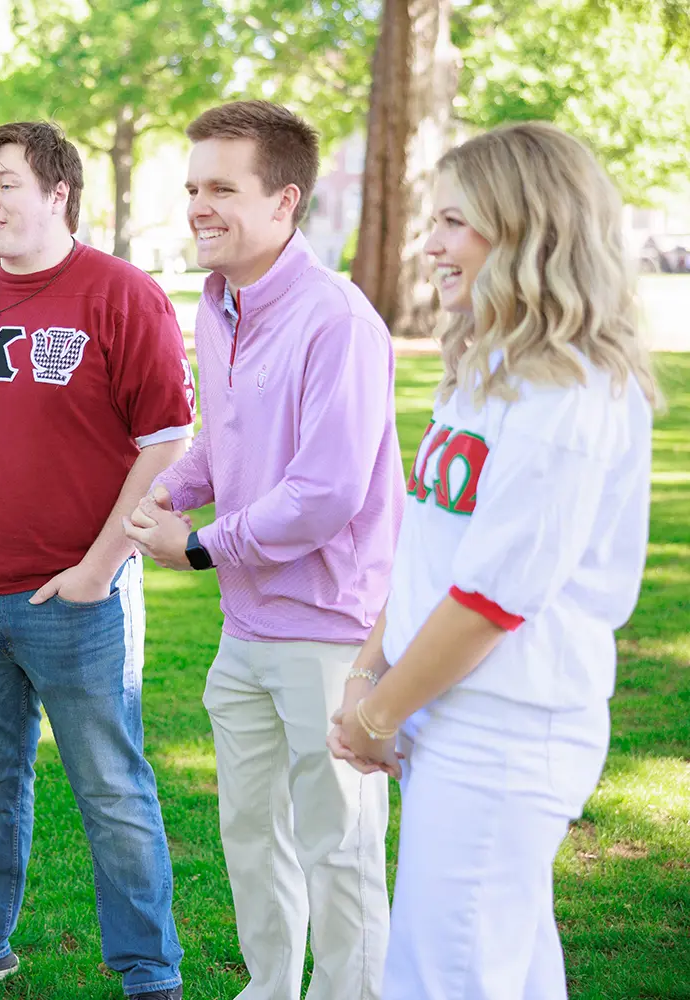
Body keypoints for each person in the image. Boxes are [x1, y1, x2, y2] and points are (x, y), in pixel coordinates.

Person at [328, 121, 658, 1000]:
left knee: (445, 979)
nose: (430, 244)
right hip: (450, 713)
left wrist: (378, 714)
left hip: (508, 728)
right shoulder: (493, 365)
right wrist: (368, 678)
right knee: (498, 971)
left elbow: (489, 600)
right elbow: (429, 550)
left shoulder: (571, 390)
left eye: (454, 222)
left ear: (527, 229)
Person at [0, 121, 194, 1000]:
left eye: (6, 182)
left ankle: (150, 973)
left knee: (112, 789)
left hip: (78, 599)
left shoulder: (122, 295)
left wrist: (101, 566)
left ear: (58, 192)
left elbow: (169, 443)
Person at [123, 100, 401, 1000]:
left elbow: (324, 496)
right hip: (245, 629)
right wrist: (179, 485)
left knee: (341, 845)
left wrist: (197, 547)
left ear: (284, 202)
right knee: (251, 833)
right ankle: (271, 987)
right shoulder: (217, 304)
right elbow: (227, 435)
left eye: (222, 189)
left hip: (331, 631)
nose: (200, 205)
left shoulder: (339, 322)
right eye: (194, 187)